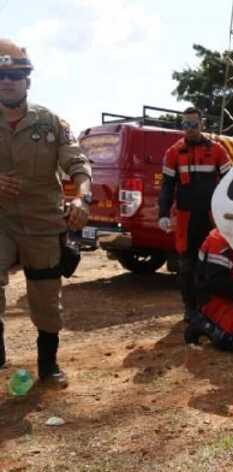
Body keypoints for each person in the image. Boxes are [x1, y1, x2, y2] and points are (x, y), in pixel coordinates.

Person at [0, 39, 92, 387]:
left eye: (14, 74)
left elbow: (78, 163)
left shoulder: (50, 122)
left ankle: (48, 363)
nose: (6, 81)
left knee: (45, 294)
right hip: (1, 219)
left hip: (42, 220)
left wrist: (82, 199)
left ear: (27, 81)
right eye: (0, 75)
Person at [158, 107, 231, 321]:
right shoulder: (174, 152)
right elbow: (167, 187)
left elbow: (229, 183)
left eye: (194, 125)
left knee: (212, 263)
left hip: (210, 217)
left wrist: (230, 211)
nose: (190, 129)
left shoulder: (217, 150)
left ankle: (210, 307)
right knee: (186, 264)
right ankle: (190, 309)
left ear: (202, 124)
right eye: (186, 125)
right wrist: (163, 213)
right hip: (185, 217)